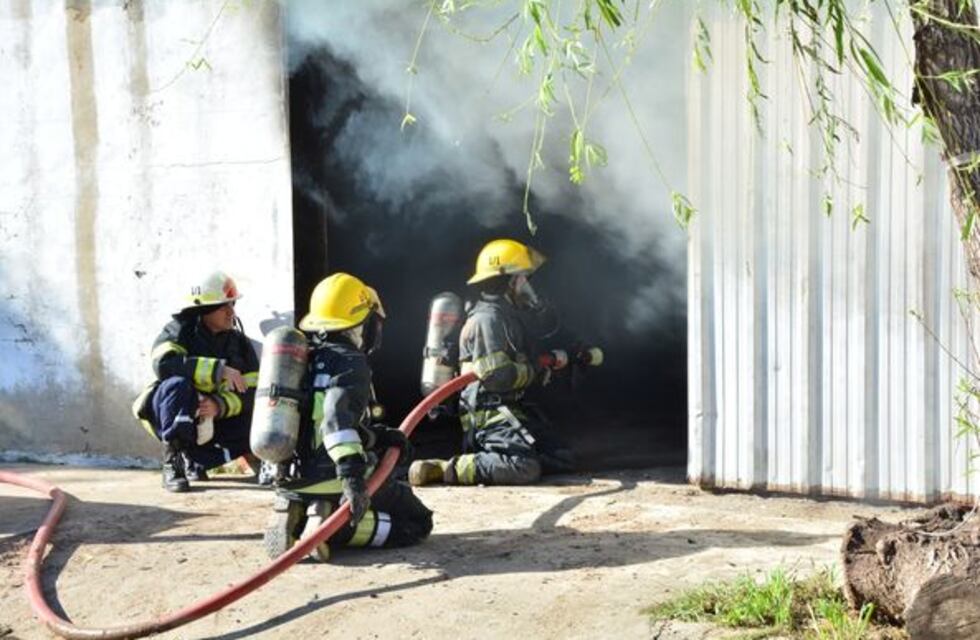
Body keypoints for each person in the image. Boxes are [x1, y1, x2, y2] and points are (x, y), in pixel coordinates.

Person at [264, 272, 432, 560]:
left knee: (347, 485)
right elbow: (335, 421)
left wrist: (380, 436)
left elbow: (317, 421)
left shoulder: (306, 356)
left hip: (290, 477)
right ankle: (334, 530)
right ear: (359, 323)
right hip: (334, 476)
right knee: (416, 522)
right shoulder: (350, 362)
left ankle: (299, 508)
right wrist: (352, 480)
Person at [408, 238, 602, 487]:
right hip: (490, 416)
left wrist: (550, 360)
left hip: (511, 409)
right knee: (523, 467)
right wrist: (536, 369)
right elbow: (498, 376)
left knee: (561, 457)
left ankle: (496, 460)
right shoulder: (487, 319)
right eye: (525, 278)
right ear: (512, 280)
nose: (529, 286)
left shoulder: (505, 316)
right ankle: (445, 469)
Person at [132, 270, 259, 493]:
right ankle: (174, 461)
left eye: (232, 304)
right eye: (224, 306)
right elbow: (165, 365)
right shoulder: (178, 331)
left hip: (214, 423)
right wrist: (218, 371)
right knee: (176, 385)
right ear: (203, 309)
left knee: (264, 416)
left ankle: (198, 461)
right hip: (175, 414)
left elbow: (254, 389)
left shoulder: (239, 342)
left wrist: (219, 406)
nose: (231, 311)